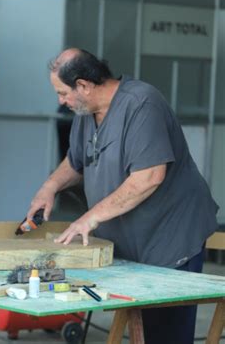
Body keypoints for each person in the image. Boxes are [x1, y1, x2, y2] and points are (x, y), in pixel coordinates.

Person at [26, 48, 219, 344]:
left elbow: (149, 176)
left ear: (84, 85)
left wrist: (89, 219)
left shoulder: (142, 103)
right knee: (139, 325)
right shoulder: (86, 112)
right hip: (132, 241)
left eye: (63, 92)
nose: (60, 101)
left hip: (170, 237)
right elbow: (77, 161)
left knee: (166, 334)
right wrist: (48, 188)